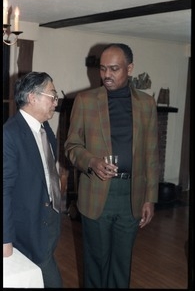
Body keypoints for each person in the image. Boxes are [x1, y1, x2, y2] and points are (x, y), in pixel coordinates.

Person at [64, 43, 159, 288]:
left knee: (121, 263)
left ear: (130, 68)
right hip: (96, 194)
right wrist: (92, 162)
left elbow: (151, 154)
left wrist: (150, 197)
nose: (107, 75)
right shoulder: (85, 101)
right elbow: (71, 146)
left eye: (114, 69)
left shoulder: (147, 104)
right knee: (95, 263)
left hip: (132, 196)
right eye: (103, 68)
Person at [3, 71, 63, 288]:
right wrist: (5, 240)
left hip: (48, 222)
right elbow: (4, 190)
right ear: (32, 97)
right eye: (52, 95)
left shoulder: (45, 128)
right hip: (26, 230)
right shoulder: (9, 134)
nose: (56, 102)